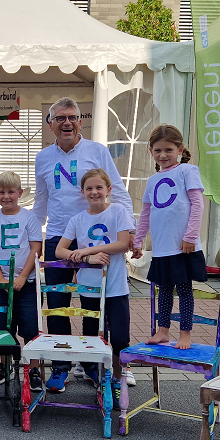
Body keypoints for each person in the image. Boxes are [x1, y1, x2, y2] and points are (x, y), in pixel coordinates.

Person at [33, 97, 133, 385]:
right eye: (60, 118)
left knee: (92, 305)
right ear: (50, 124)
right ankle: (61, 366)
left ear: (80, 121)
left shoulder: (97, 151)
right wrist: (32, 239)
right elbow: (41, 201)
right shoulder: (43, 157)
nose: (67, 123)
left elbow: (119, 192)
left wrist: (133, 231)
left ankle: (91, 364)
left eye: (72, 117)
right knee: (57, 304)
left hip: (95, 239)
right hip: (58, 239)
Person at [52, 169, 133, 394]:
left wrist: (89, 249)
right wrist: (86, 257)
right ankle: (93, 372)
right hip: (90, 289)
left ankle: (118, 378)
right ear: (82, 192)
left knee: (119, 337)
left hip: (116, 287)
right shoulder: (77, 219)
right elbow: (60, 250)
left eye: (99, 188)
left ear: (108, 190)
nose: (94, 192)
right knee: (92, 335)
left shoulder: (118, 211)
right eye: (89, 188)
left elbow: (123, 243)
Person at [131, 124, 206, 350]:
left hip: (183, 244)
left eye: (168, 150)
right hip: (162, 246)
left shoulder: (187, 171)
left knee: (184, 289)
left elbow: (197, 204)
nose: (163, 155)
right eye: (158, 150)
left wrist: (191, 235)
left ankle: (185, 333)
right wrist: (138, 241)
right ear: (150, 151)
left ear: (180, 149)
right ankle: (163, 330)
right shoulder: (153, 180)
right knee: (163, 287)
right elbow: (146, 213)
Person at [0, 171, 43, 390]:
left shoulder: (29, 217)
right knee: (3, 328)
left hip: (27, 284)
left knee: (30, 328)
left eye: (11, 192)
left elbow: (36, 248)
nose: (6, 196)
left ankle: (33, 368)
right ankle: (4, 365)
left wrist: (23, 276)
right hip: (1, 284)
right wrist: (0, 278)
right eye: (1, 192)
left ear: (20, 193)